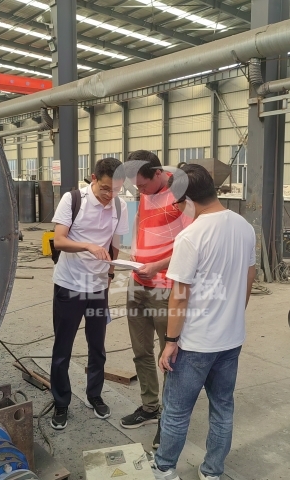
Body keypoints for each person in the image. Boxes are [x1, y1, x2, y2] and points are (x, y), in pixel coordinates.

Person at [150, 164, 257, 480]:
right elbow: (249, 277)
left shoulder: (191, 235)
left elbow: (179, 296)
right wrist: (233, 314)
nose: (177, 208)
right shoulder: (244, 227)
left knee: (176, 411)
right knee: (222, 408)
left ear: (188, 199)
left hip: (195, 343)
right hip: (231, 339)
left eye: (177, 202)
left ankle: (165, 469)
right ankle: (212, 472)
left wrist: (171, 342)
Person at [49, 157, 129, 430]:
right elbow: (59, 241)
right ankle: (61, 402)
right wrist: (88, 246)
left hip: (97, 287)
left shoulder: (119, 205)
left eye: (116, 189)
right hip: (69, 284)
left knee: (97, 346)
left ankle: (94, 394)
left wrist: (110, 275)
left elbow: (115, 244)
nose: (110, 195)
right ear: (94, 178)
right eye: (105, 188)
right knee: (63, 348)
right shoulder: (73, 200)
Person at [119, 151, 191, 449]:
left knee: (169, 357)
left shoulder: (181, 194)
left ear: (158, 173)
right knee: (141, 351)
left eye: (143, 185)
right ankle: (150, 407)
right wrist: (136, 257)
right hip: (138, 282)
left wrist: (156, 266)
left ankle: (169, 420)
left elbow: (191, 248)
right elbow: (143, 225)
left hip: (166, 288)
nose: (140, 191)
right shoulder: (146, 192)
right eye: (136, 186)